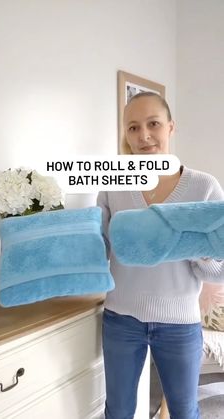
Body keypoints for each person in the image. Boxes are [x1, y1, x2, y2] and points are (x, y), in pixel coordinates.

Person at [97, 91, 224, 419]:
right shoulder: (113, 183)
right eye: (133, 128)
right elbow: (100, 248)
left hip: (179, 322)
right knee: (119, 411)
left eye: (153, 124)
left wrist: (190, 248)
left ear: (170, 127)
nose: (144, 135)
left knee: (184, 411)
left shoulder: (204, 187)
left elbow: (218, 271)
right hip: (120, 319)